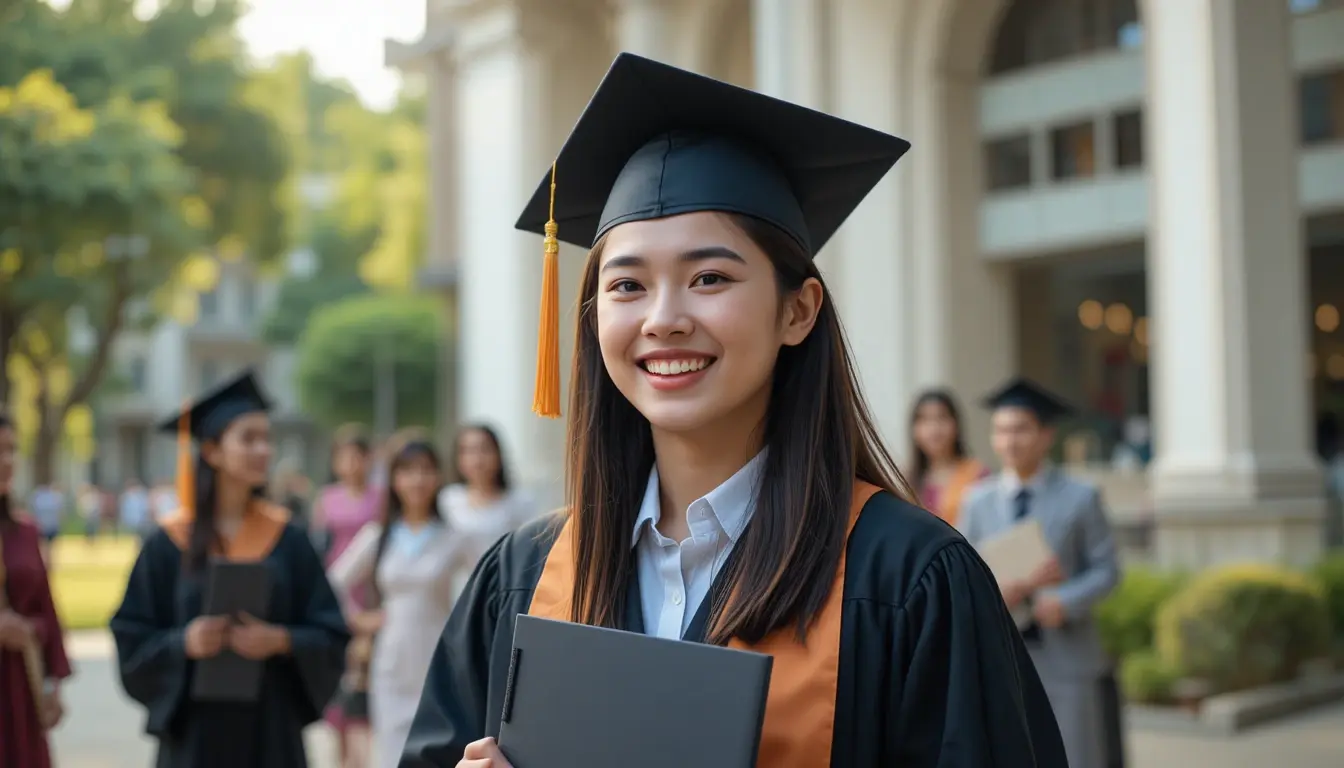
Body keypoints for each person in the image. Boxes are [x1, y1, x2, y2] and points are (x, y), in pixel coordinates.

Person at [401, 53, 1066, 768]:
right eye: (626, 286)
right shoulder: (526, 575)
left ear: (798, 310)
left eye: (709, 277)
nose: (663, 319)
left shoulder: (907, 579)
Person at [108, 370, 351, 768]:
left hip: (271, 731)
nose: (264, 450)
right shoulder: (168, 543)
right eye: (249, 438)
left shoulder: (287, 538)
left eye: (266, 439)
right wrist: (184, 642)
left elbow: (331, 631)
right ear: (212, 451)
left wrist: (281, 640)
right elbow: (131, 635)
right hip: (194, 735)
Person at [957, 377, 1123, 768]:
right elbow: (961, 575)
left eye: (1020, 430)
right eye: (1001, 431)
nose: (1010, 441)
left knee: (1075, 756)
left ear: (1046, 435)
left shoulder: (1081, 497)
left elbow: (1107, 570)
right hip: (1001, 657)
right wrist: (998, 591)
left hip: (1067, 656)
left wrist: (1065, 600)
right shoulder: (977, 502)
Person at [331, 438, 459, 768]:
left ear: (438, 477)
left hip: (439, 657)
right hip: (391, 661)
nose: (417, 480)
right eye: (407, 471)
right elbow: (332, 584)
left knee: (439, 747)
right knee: (392, 752)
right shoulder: (378, 536)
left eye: (426, 470)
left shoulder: (455, 536)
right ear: (394, 480)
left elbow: (486, 588)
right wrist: (360, 619)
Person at [0, 411, 71, 768]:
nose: (7, 461)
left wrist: (53, 682)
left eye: (11, 449)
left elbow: (45, 607)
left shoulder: (24, 531)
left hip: (18, 686)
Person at [312, 424, 383, 763]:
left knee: (364, 686)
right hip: (334, 595)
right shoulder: (327, 499)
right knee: (337, 686)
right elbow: (319, 548)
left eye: (359, 455)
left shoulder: (381, 498)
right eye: (345, 456)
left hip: (369, 596)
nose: (353, 463)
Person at [435, 424, 537, 602]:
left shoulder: (520, 501)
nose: (477, 459)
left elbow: (531, 553)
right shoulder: (448, 500)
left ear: (498, 454)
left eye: (485, 450)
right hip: (460, 594)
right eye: (468, 451)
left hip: (507, 592)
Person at [907, 388, 989, 526]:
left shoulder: (977, 475)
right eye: (924, 420)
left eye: (942, 417)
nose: (934, 428)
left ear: (956, 424)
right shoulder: (905, 480)